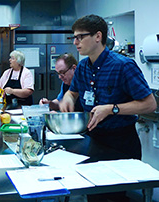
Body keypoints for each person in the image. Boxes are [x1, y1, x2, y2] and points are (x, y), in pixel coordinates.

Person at [59, 14, 157, 202]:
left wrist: (112, 109)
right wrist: (68, 99)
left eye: (80, 37)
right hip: (93, 139)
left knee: (113, 197)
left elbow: (149, 104)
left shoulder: (123, 65)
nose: (76, 42)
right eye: (74, 37)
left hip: (121, 142)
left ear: (98, 36)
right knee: (94, 194)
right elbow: (73, 92)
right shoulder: (82, 67)